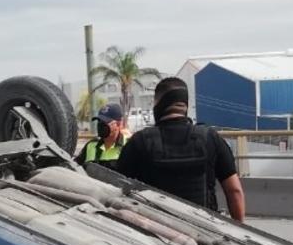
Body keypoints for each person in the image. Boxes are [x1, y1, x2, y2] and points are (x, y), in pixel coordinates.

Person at [115, 77, 245, 222]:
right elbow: (234, 191)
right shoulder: (210, 138)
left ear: (158, 105)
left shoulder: (139, 141)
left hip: (155, 232)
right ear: (185, 105)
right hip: (205, 231)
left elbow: (118, 189)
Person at [76, 103, 127, 170]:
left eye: (105, 122)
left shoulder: (129, 146)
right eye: (99, 121)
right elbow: (76, 169)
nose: (100, 125)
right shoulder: (91, 145)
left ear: (118, 124)